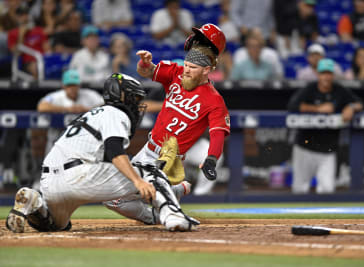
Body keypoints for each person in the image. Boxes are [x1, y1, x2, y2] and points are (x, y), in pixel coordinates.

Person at [6, 73, 198, 233]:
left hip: (50, 181)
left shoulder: (92, 114)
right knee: (149, 171)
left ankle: (35, 201)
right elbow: (115, 151)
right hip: (79, 174)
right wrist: (140, 180)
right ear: (123, 97)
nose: (137, 104)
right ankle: (173, 215)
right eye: (135, 98)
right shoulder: (116, 113)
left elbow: (110, 163)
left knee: (54, 225)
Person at [103, 23, 230, 220]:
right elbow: (147, 71)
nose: (187, 70)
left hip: (169, 160)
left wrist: (211, 159)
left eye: (193, 67)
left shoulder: (214, 100)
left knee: (122, 197)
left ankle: (158, 211)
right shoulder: (176, 72)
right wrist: (145, 64)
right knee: (110, 197)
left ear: (206, 70)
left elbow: (218, 132)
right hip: (148, 149)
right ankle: (174, 192)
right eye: (186, 65)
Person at [288, 58, 363, 194]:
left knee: (327, 190)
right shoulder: (310, 89)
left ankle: (323, 217)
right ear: (318, 74)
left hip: (327, 151)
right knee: (299, 190)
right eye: (323, 73)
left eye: (329, 73)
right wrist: (317, 109)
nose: (326, 77)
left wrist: (351, 107)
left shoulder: (339, 90)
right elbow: (292, 105)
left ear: (332, 75)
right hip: (305, 148)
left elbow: (359, 102)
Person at [37, 69, 104, 155]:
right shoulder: (57, 96)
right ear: (64, 86)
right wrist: (67, 109)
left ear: (79, 85)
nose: (72, 88)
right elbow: (41, 106)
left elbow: (106, 104)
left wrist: (87, 110)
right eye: (69, 85)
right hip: (57, 145)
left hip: (82, 147)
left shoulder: (89, 95)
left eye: (74, 85)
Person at [7, 2, 50, 79]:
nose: (24, 17)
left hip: (43, 59)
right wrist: (21, 35)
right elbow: (16, 52)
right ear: (17, 17)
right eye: (21, 15)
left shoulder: (38, 30)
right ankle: (39, 89)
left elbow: (47, 48)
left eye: (26, 14)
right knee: (35, 66)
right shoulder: (13, 33)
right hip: (27, 62)